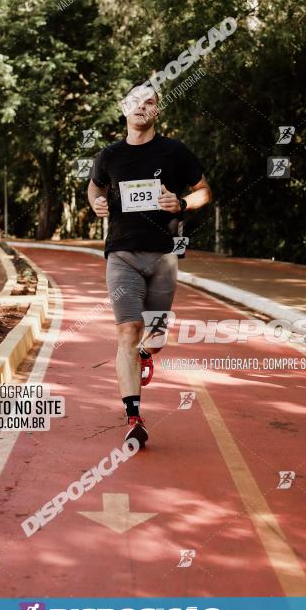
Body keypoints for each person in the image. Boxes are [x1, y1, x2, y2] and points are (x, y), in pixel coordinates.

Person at [88, 82, 211, 448]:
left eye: (150, 102)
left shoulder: (174, 152)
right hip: (121, 254)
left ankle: (147, 353)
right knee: (127, 331)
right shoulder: (109, 156)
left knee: (154, 338)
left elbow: (204, 189)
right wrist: (96, 203)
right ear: (124, 107)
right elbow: (95, 187)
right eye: (136, 102)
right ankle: (134, 416)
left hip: (163, 257)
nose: (142, 107)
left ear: (158, 110)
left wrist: (184, 204)